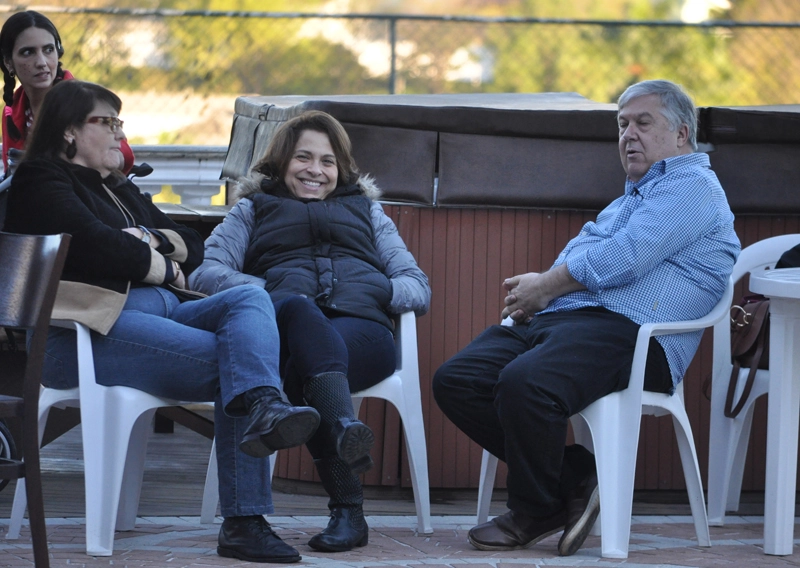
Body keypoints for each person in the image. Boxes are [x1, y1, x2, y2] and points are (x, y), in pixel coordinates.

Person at [4, 79, 322, 564]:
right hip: (83, 336)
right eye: (106, 123)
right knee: (240, 365)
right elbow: (97, 244)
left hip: (164, 309)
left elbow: (190, 245)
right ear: (68, 132)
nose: (119, 134)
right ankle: (245, 520)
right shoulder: (41, 181)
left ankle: (263, 405)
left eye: (119, 122)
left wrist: (146, 240)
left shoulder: (118, 187)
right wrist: (154, 255)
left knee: (248, 300)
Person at [432, 80, 740, 557]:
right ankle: (576, 478)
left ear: (682, 135)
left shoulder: (694, 187)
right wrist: (539, 293)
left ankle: (534, 509)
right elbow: (589, 256)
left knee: (525, 383)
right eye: (621, 125)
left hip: (637, 337)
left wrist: (545, 286)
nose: (628, 135)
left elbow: (626, 256)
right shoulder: (629, 199)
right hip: (568, 323)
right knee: (458, 379)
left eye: (642, 123)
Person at [190, 110, 431, 552]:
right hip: (288, 326)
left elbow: (416, 286)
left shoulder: (368, 211)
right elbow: (206, 274)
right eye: (304, 158)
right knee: (299, 312)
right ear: (282, 162)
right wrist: (265, 292)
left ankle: (340, 444)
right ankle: (348, 501)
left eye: (327, 161)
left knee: (306, 373)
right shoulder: (253, 207)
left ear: (340, 169)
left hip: (363, 335)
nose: (315, 171)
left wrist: (375, 288)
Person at [0, 10, 134, 175]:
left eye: (48, 50)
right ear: (8, 62)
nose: (41, 62)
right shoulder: (12, 111)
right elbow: (12, 171)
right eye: (28, 52)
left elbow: (124, 157)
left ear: (58, 52)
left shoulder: (85, 101)